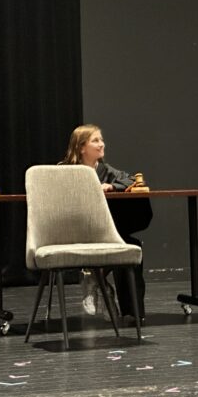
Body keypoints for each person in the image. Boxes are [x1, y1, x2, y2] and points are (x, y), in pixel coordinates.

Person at [61, 124, 148, 322]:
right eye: (96, 140)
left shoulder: (107, 172)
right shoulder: (64, 171)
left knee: (131, 245)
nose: (102, 144)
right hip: (73, 231)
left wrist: (112, 186)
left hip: (100, 231)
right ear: (82, 147)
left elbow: (132, 181)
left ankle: (131, 311)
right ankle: (99, 281)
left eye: (101, 139)